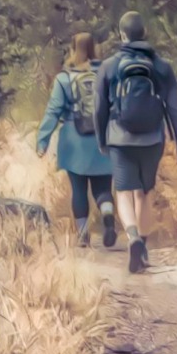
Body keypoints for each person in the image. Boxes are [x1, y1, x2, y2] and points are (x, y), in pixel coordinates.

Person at [93, 11, 177, 273]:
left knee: (123, 192)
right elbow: (175, 109)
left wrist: (102, 139)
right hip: (152, 139)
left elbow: (99, 108)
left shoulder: (109, 66)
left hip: (120, 138)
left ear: (122, 35)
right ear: (144, 33)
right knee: (145, 192)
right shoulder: (161, 66)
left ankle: (133, 237)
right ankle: (143, 248)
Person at [36, 31, 117, 247]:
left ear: (72, 50)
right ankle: (108, 217)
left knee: (79, 189)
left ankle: (82, 234)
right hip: (103, 138)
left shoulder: (64, 78)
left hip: (74, 140)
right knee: (103, 189)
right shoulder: (106, 74)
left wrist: (42, 141)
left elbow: (53, 110)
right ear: (94, 49)